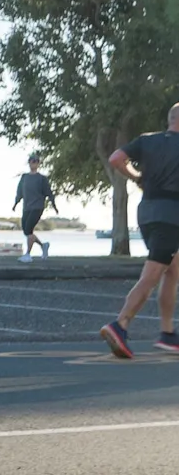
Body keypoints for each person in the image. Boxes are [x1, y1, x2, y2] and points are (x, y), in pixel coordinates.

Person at [100, 104, 179, 357]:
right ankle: (120, 324)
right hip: (171, 217)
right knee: (153, 274)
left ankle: (167, 334)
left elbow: (115, 159)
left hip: (147, 213)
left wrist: (136, 177)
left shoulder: (147, 140)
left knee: (173, 270)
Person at [13, 153, 58, 262]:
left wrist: (54, 206)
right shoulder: (24, 177)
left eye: (36, 161)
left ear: (38, 164)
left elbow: (49, 193)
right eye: (32, 161)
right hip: (26, 207)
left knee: (29, 229)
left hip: (37, 207)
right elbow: (19, 192)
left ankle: (28, 254)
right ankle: (43, 246)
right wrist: (15, 204)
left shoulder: (42, 179)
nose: (34, 163)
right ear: (29, 163)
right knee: (26, 231)